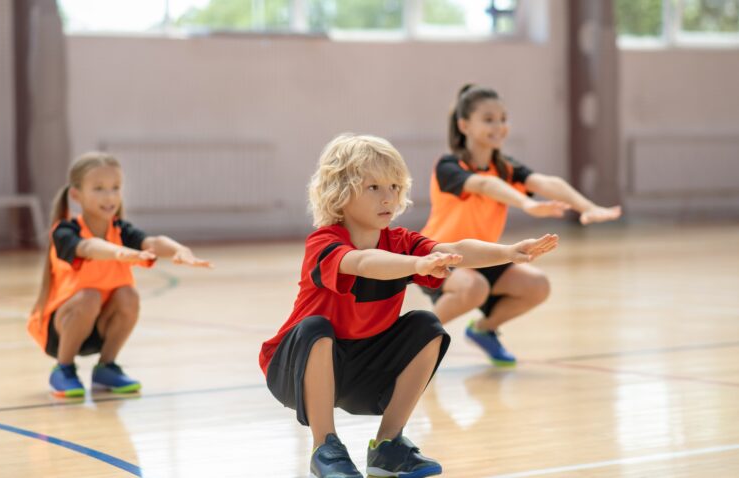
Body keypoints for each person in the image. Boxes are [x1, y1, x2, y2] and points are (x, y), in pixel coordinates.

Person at [259, 134, 558, 478]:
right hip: (293, 369)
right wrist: (415, 266)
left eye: (395, 186)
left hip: (357, 372)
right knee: (316, 328)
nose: (389, 197)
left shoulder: (402, 242)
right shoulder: (324, 242)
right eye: (373, 187)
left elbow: (456, 248)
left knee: (426, 326)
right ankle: (325, 447)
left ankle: (388, 447)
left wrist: (506, 252)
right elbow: (364, 263)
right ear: (339, 192)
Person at [420, 84, 621, 367]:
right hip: (439, 256)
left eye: (503, 119)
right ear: (464, 125)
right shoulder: (449, 165)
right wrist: (526, 204)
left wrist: (587, 207)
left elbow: (546, 183)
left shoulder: (506, 167)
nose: (499, 126)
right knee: (473, 288)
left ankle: (483, 329)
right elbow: (485, 185)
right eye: (489, 119)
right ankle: (414, 344)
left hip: (483, 257)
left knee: (537, 285)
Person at [27, 152, 211, 398]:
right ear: (75, 194)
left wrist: (180, 250)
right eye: (99, 188)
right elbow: (88, 247)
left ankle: (106, 367)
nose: (110, 196)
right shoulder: (65, 230)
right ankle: (63, 369)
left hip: (99, 326)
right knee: (89, 296)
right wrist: (120, 253)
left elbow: (153, 242)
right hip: (60, 329)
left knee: (128, 295)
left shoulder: (121, 230)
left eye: (115, 188)